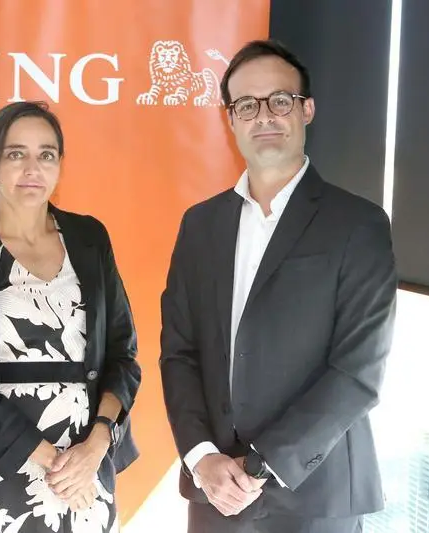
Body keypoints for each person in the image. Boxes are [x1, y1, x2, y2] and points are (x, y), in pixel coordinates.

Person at [159, 39, 398, 533]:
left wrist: (260, 465)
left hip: (316, 495)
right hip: (215, 492)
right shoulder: (200, 224)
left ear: (306, 110)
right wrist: (201, 456)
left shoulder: (358, 223)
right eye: (247, 104)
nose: (263, 116)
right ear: (231, 119)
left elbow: (358, 370)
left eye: (280, 100)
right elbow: (179, 351)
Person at [0, 101, 141, 533]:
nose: (32, 168)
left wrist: (96, 446)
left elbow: (123, 357)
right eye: (15, 153)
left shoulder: (90, 238)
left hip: (86, 464)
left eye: (47, 154)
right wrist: (55, 462)